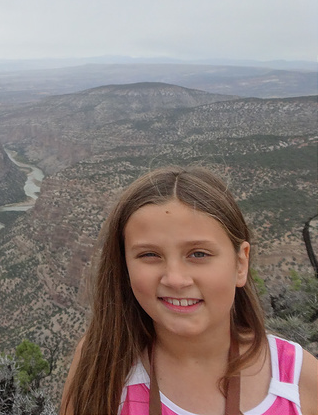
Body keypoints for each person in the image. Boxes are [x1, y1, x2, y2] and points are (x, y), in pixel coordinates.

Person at [61, 166, 317, 415]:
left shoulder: (298, 380)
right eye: (150, 254)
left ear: (240, 264)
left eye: (198, 254)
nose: (175, 279)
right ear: (125, 267)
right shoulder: (102, 362)